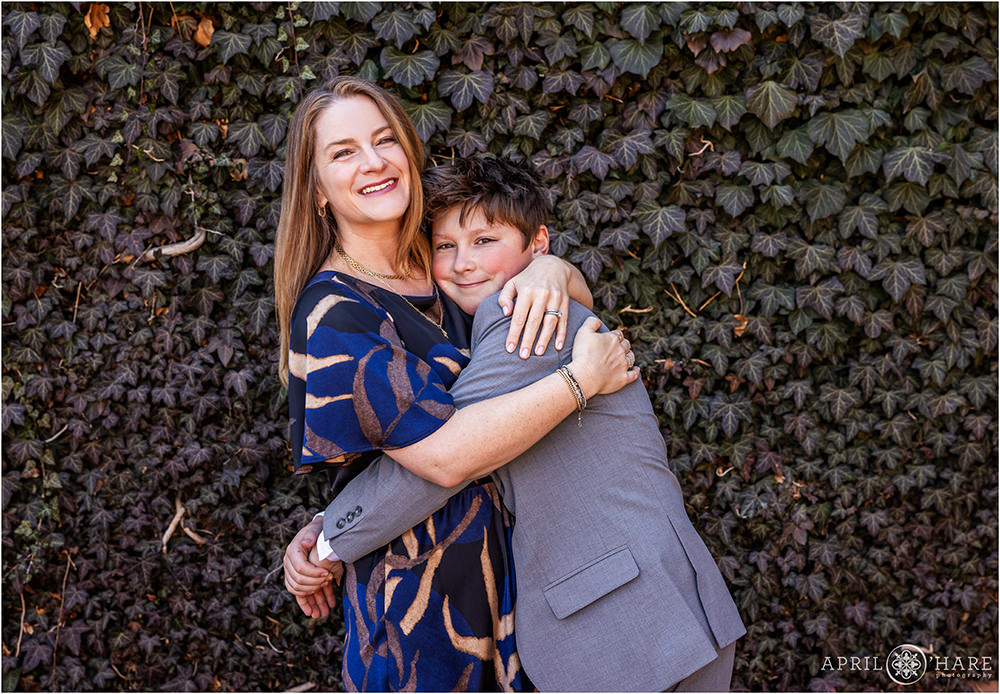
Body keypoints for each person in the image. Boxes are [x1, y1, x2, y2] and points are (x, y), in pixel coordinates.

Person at [285, 155, 747, 692]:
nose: (462, 263)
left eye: (485, 241)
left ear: (538, 245)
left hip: (631, 622)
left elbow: (442, 459)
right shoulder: (511, 312)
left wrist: (326, 544)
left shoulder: (520, 321)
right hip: (654, 609)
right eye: (444, 245)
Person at [274, 77, 637, 692]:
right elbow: (443, 457)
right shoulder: (336, 314)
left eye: (385, 140)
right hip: (424, 609)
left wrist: (553, 267)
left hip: (528, 586)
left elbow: (540, 321)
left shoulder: (444, 258)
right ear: (314, 190)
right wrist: (581, 381)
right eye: (343, 152)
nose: (373, 162)